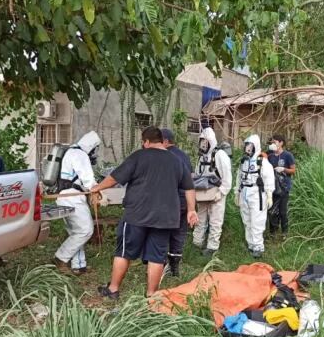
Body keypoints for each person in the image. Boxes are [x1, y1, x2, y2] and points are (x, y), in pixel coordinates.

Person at [90, 127, 198, 299]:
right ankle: (151, 294)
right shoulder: (177, 160)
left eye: (143, 142)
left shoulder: (139, 156)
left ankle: (113, 289)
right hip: (165, 218)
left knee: (124, 251)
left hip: (136, 214)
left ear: (146, 141)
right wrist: (191, 210)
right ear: (162, 141)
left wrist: (97, 187)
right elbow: (189, 187)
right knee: (157, 256)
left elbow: (115, 177)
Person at [53, 131, 102, 275]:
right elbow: (88, 180)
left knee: (75, 232)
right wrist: (97, 190)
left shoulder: (70, 151)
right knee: (85, 230)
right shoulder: (80, 154)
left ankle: (79, 266)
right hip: (73, 197)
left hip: (63, 196)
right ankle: (60, 258)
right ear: (91, 146)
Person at [192, 127, 232, 256]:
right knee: (200, 218)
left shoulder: (220, 155)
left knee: (215, 220)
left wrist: (221, 192)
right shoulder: (202, 157)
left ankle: (212, 247)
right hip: (203, 192)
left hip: (216, 193)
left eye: (205, 141)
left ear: (210, 141)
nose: (203, 144)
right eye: (201, 141)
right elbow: (198, 174)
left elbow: (227, 177)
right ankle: (197, 242)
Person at [234, 134, 274, 258]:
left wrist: (269, 194)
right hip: (245, 192)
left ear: (255, 147)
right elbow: (239, 178)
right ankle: (251, 244)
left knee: (257, 221)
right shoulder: (244, 162)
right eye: (246, 146)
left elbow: (269, 179)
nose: (247, 149)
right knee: (247, 220)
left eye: (249, 146)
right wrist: (237, 193)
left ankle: (258, 247)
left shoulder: (263, 162)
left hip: (257, 195)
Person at [161, 128, 192, 277]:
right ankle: (175, 268)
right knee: (179, 233)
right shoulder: (184, 156)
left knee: (162, 233)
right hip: (184, 200)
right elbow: (189, 180)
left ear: (166, 142)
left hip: (168, 201)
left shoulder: (163, 156)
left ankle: (160, 266)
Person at [267, 134, 296, 237]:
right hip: (273, 187)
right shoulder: (270, 156)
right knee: (272, 211)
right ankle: (272, 232)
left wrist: (283, 169)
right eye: (272, 142)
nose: (273, 144)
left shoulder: (287, 155)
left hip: (284, 187)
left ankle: (284, 232)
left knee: (283, 212)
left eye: (275, 142)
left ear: (281, 143)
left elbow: (293, 170)